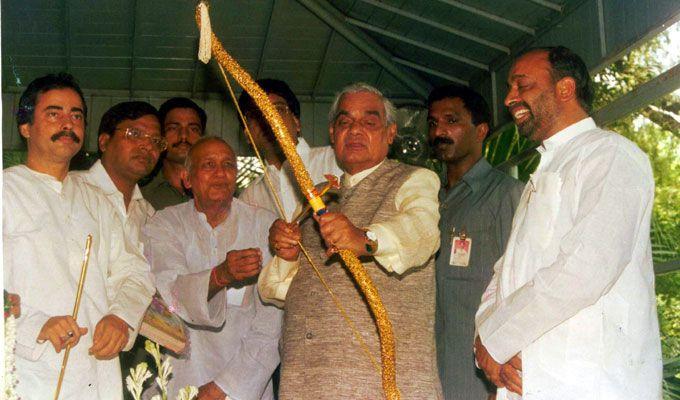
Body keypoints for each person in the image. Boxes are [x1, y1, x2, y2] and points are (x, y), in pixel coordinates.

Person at [474, 46, 663, 399]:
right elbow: (505, 273)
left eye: (522, 85)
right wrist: (486, 338)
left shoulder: (610, 155)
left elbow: (587, 267)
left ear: (565, 88)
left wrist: (497, 338)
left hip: (591, 384)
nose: (510, 98)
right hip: (531, 382)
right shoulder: (547, 168)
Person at [260, 82, 443, 399]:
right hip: (305, 382)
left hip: (378, 386)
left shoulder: (414, 179)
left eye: (369, 122)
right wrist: (287, 253)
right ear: (332, 134)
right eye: (345, 122)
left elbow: (423, 232)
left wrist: (365, 239)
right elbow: (280, 291)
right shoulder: (319, 199)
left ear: (390, 133)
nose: (355, 130)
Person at [3, 72, 154, 399]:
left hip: (95, 376)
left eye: (76, 116)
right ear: (25, 126)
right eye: (53, 113)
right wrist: (35, 326)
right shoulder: (6, 191)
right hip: (26, 374)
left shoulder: (97, 201)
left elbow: (135, 272)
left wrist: (121, 317)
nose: (67, 123)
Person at [142, 137, 282, 400]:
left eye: (228, 165)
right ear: (187, 178)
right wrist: (221, 275)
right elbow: (169, 292)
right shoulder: (164, 224)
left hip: (245, 385)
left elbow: (271, 324)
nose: (220, 173)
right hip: (179, 377)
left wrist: (224, 388)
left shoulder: (265, 225)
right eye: (208, 165)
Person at [427, 84, 523, 400]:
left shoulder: (506, 194)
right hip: (429, 373)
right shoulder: (428, 201)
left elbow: (520, 284)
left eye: (451, 121)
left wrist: (499, 384)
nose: (439, 131)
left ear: (480, 130)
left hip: (479, 378)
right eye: (433, 123)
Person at [238, 78, 341, 221]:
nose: (269, 119)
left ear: (297, 123)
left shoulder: (336, 160)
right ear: (248, 135)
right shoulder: (249, 198)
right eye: (256, 114)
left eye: (278, 109)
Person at [72, 101, 163, 246]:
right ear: (104, 142)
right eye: (135, 134)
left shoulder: (148, 215)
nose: (148, 146)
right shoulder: (72, 190)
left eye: (156, 140)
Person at [142, 97, 206, 210]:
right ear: (160, 136)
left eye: (193, 129)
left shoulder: (217, 189)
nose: (184, 136)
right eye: (173, 128)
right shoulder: (140, 194)